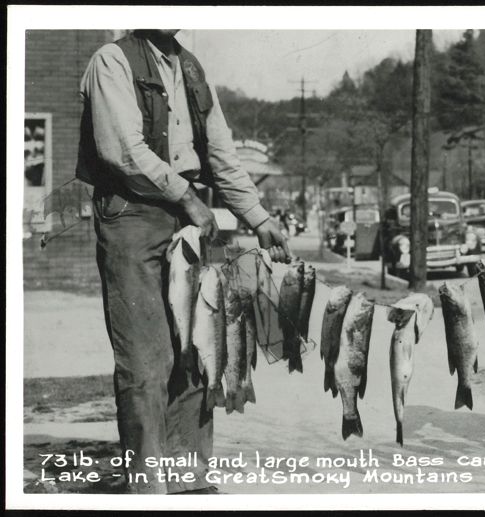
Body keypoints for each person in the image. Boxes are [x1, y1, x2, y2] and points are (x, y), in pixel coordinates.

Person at [76, 29, 292, 493]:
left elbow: (221, 153)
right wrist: (189, 199)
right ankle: (148, 487)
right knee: (146, 362)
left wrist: (259, 218)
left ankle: (189, 482)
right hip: (132, 216)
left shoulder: (191, 66)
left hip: (186, 219)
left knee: (197, 352)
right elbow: (123, 151)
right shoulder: (112, 60)